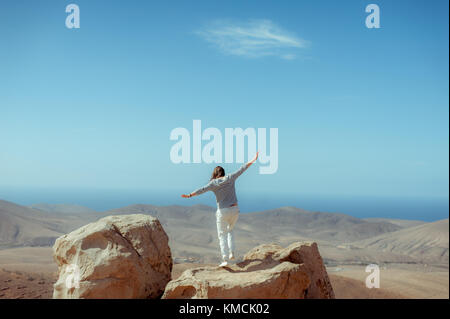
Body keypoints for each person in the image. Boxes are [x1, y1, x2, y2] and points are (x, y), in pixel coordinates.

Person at [182, 151, 259, 267]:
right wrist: (253, 159)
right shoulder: (230, 177)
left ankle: (225, 259)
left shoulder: (213, 183)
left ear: (215, 174)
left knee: (221, 235)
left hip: (222, 211)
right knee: (230, 231)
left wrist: (189, 195)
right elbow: (243, 168)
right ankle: (232, 252)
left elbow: (201, 190)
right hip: (234, 209)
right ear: (223, 173)